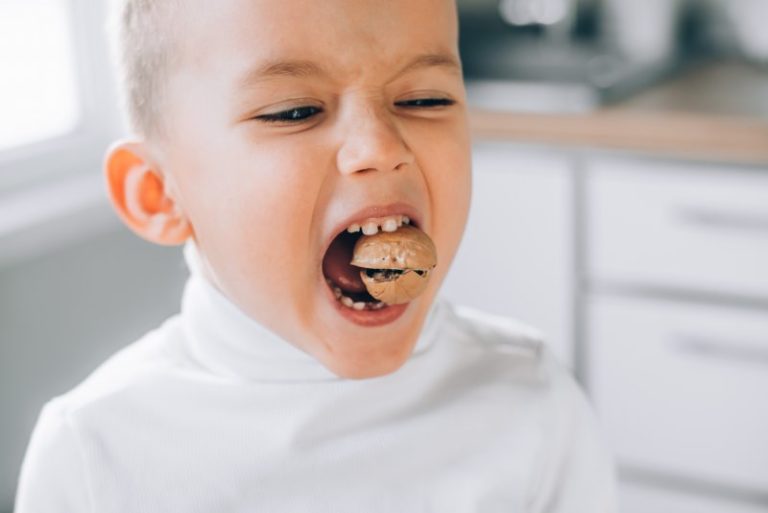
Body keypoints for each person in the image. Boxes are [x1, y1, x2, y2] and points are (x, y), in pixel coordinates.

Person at [15, 0, 618, 511]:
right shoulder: (93, 457)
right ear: (158, 193)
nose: (379, 148)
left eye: (425, 100)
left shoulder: (532, 401)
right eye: (294, 112)